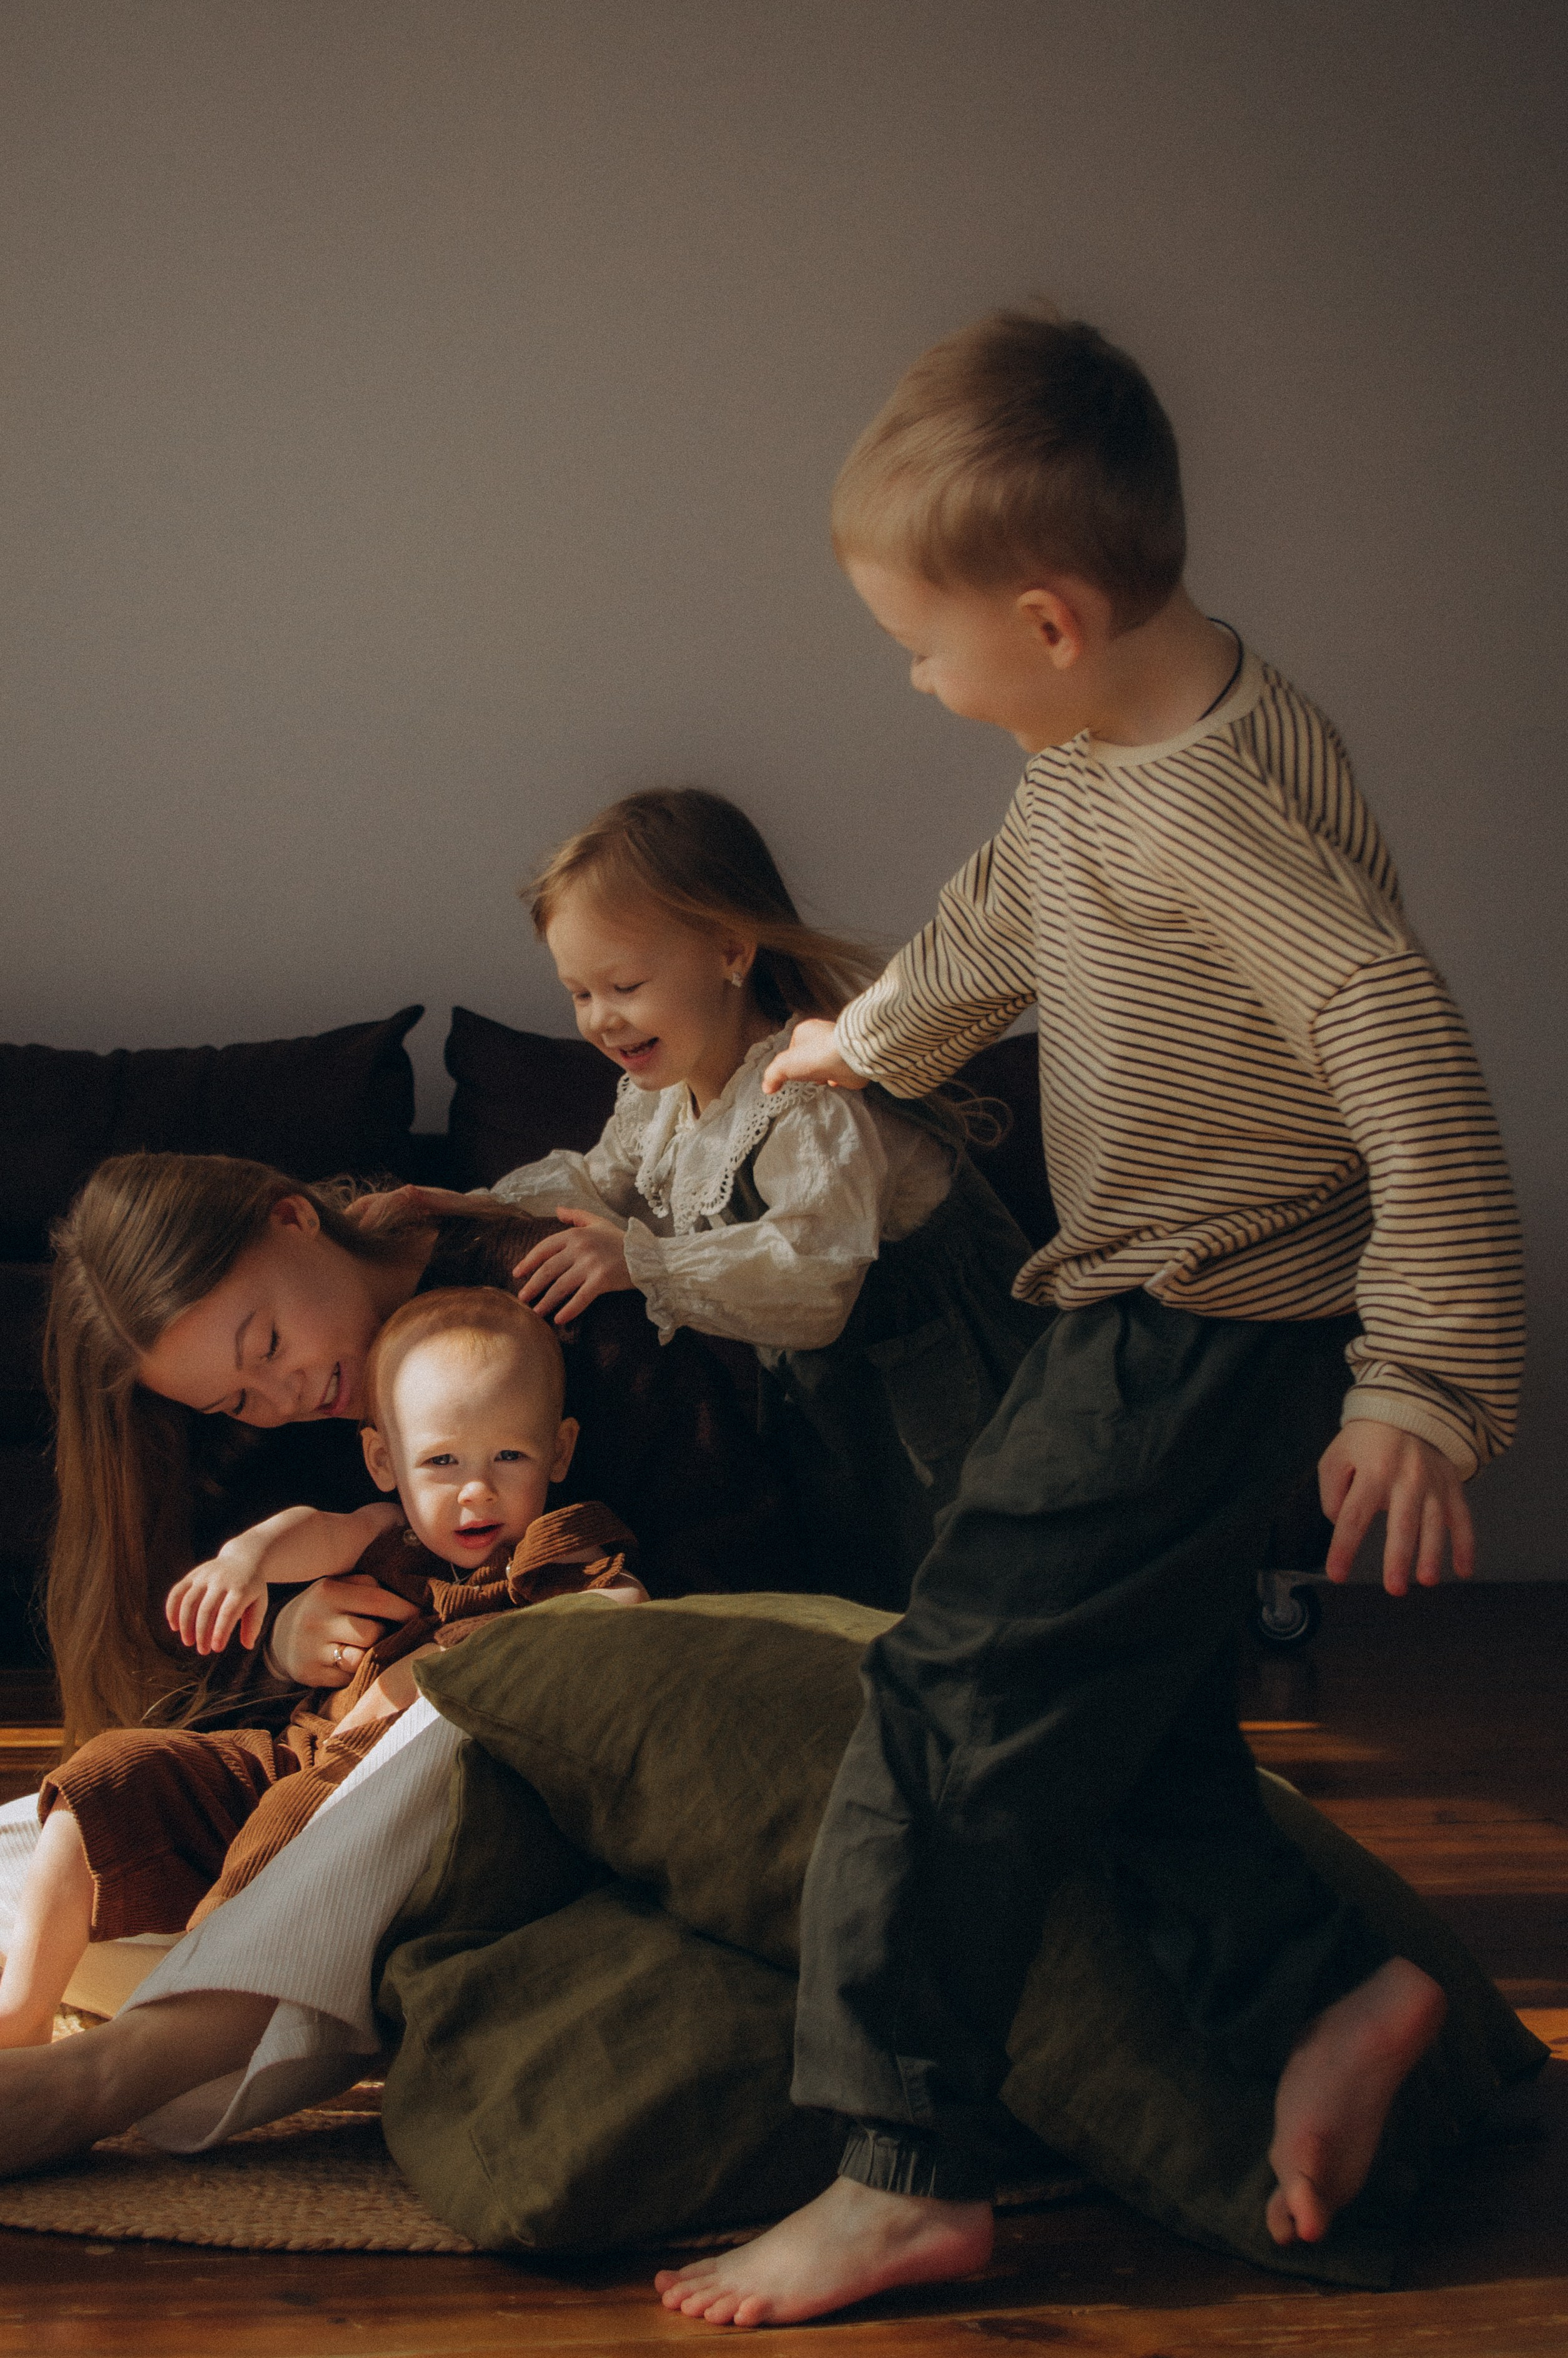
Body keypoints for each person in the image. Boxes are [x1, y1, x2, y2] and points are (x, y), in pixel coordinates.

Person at [655, 307, 1524, 2327]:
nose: (912, 672)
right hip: (1181, 1317)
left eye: (916, 638)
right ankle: (1333, 1991)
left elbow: (1398, 1036)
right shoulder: (1106, 745)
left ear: (1044, 616)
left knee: (943, 1705)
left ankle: (897, 2166)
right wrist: (869, 1036)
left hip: (1196, 1322)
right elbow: (1004, 908)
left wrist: (1427, 1374)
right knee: (1114, 1718)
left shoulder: (1209, 800)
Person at [0, 1289, 643, 2048]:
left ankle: (180, 2019)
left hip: (377, 1808)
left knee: (277, 1845)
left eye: (511, 1455)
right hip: (291, 1754)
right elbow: (316, 1530)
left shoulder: (559, 1556)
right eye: (441, 1460)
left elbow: (619, 1609)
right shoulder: (390, 1530)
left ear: (559, 1452)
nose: (477, 1488)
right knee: (113, 1771)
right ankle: (22, 2012)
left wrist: (463, 1652)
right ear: (383, 1460)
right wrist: (247, 1561)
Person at [471, 786, 1044, 1609]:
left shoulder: (804, 1096)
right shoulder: (670, 1094)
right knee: (863, 1606)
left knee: (977, 1600)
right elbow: (599, 1180)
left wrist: (645, 1263)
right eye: (579, 992)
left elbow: (811, 1278)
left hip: (957, 1401)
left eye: (624, 984)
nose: (599, 1019)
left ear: (730, 950)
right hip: (847, 1418)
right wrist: (464, 1210)